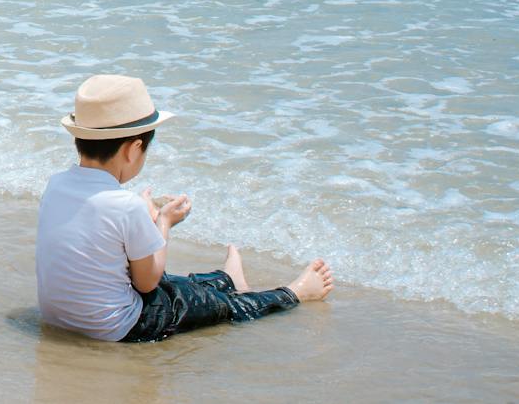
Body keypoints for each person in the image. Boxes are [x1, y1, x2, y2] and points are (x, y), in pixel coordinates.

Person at [35, 75, 333, 343]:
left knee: (176, 286)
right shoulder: (125, 207)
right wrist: (163, 223)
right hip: (120, 327)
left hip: (60, 317)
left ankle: (227, 279)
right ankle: (295, 292)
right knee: (216, 306)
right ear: (133, 149)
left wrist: (144, 216)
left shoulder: (56, 184)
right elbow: (147, 282)